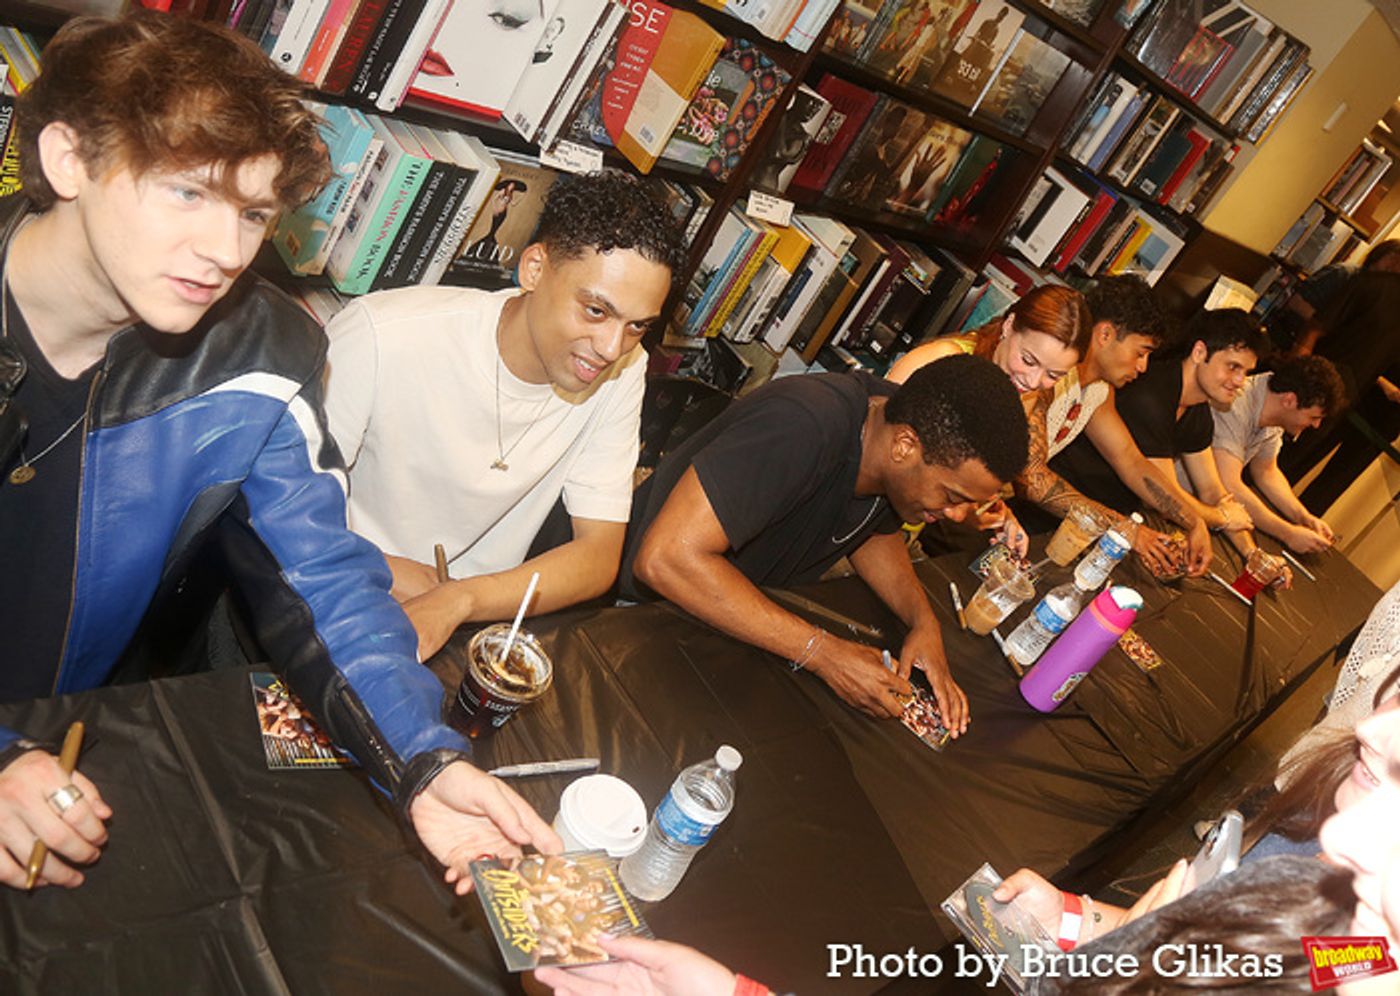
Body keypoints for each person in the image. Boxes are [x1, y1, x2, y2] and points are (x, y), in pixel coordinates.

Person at [0, 12, 559, 891]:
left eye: (254, 213)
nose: (227, 251)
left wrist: (422, 759)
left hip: (71, 731)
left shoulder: (259, 352)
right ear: (69, 159)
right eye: (189, 193)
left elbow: (321, 575)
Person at [324, 170, 683, 660]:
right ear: (534, 268)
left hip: (471, 617)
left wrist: (460, 599)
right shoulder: (383, 335)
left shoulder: (624, 367)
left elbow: (598, 555)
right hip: (336, 588)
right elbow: (277, 511)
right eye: (596, 311)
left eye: (637, 325)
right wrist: (393, 573)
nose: (611, 346)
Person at [619, 355, 1030, 730]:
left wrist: (923, 621)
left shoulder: (893, 428)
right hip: (635, 616)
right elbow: (664, 559)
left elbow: (873, 529)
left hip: (732, 613)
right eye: (952, 497)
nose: (958, 516)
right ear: (905, 446)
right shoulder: (801, 423)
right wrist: (824, 653)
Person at [1048, 307, 1266, 541]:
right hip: (1059, 517)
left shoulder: (1197, 409)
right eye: (1233, 367)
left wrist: (1250, 553)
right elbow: (1160, 491)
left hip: (1104, 518)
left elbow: (1212, 491)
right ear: (1199, 352)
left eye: (1246, 372)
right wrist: (1219, 518)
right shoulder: (1149, 395)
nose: (1240, 381)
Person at [1195, 354, 1345, 554]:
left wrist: (1303, 517)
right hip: (1185, 504)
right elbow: (1229, 484)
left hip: (1212, 510)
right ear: (1289, 400)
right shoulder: (1236, 403)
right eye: (1313, 417)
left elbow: (1266, 471)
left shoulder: (1275, 409)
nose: (1316, 425)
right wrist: (1288, 534)